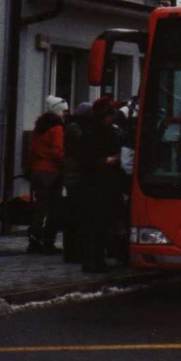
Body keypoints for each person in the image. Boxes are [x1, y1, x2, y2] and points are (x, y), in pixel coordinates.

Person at [77, 95, 126, 273]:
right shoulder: (99, 133)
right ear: (107, 115)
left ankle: (94, 259)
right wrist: (111, 160)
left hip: (95, 185)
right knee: (99, 224)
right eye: (111, 114)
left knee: (96, 225)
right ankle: (94, 260)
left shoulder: (92, 130)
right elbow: (90, 160)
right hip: (100, 186)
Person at [27, 95, 68, 254]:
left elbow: (31, 151)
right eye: (64, 111)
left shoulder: (40, 128)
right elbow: (57, 152)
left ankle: (34, 241)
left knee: (39, 209)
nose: (65, 114)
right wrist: (66, 165)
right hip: (51, 172)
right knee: (54, 209)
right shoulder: (57, 129)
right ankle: (48, 241)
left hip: (38, 171)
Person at [61, 101, 91, 263]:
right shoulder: (74, 127)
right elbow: (84, 142)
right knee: (74, 215)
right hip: (74, 176)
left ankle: (74, 250)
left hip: (74, 175)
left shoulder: (74, 126)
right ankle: (72, 251)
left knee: (75, 215)